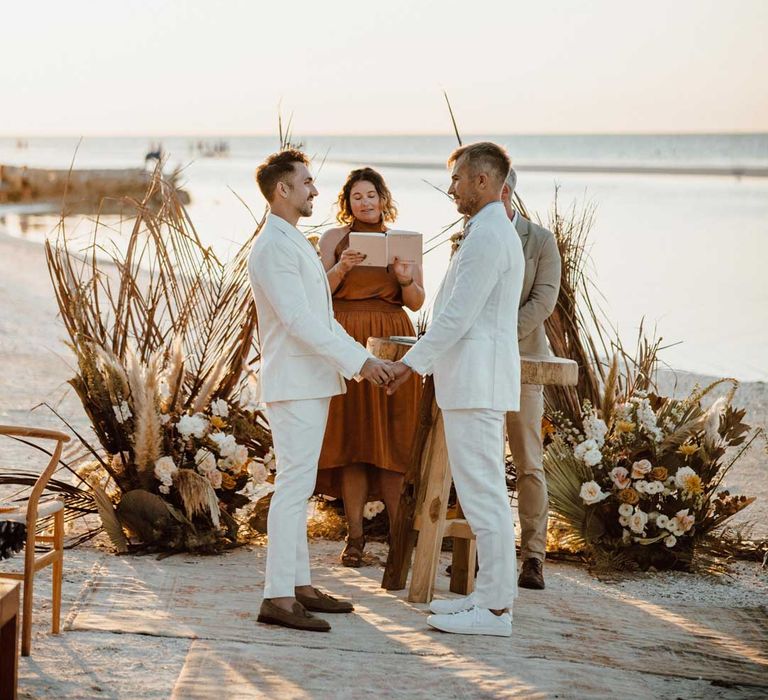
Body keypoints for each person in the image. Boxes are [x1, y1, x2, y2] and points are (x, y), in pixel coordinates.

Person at [248, 149, 395, 632]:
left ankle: (300, 586)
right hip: (294, 382)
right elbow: (298, 321)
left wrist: (363, 362)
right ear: (282, 190)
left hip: (311, 380)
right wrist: (360, 361)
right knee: (292, 487)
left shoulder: (294, 241)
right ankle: (276, 596)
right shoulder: (272, 246)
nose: (314, 190)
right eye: (306, 182)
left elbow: (323, 318)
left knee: (300, 485)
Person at [387, 142, 524, 637]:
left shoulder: (489, 236)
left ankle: (493, 612)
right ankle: (489, 601)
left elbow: (457, 317)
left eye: (458, 180)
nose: (451, 189)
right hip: (473, 381)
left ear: (483, 181)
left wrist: (411, 364)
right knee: (480, 493)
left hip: (477, 381)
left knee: (484, 496)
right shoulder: (487, 230)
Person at [316, 167, 424, 566]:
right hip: (346, 342)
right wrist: (341, 267)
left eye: (371, 195)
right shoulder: (332, 239)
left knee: (393, 441)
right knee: (353, 442)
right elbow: (316, 295)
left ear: (383, 199)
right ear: (348, 202)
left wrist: (405, 278)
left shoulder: (403, 240)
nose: (365, 202)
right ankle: (355, 537)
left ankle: (400, 538)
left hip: (393, 338)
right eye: (357, 196)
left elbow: (415, 302)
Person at [501, 169, 561, 590]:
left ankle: (533, 557)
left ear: (503, 189)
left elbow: (543, 301)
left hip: (524, 361)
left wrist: (498, 335)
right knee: (479, 459)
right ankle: (485, 552)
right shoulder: (466, 238)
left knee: (528, 461)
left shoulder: (539, 240)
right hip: (479, 364)